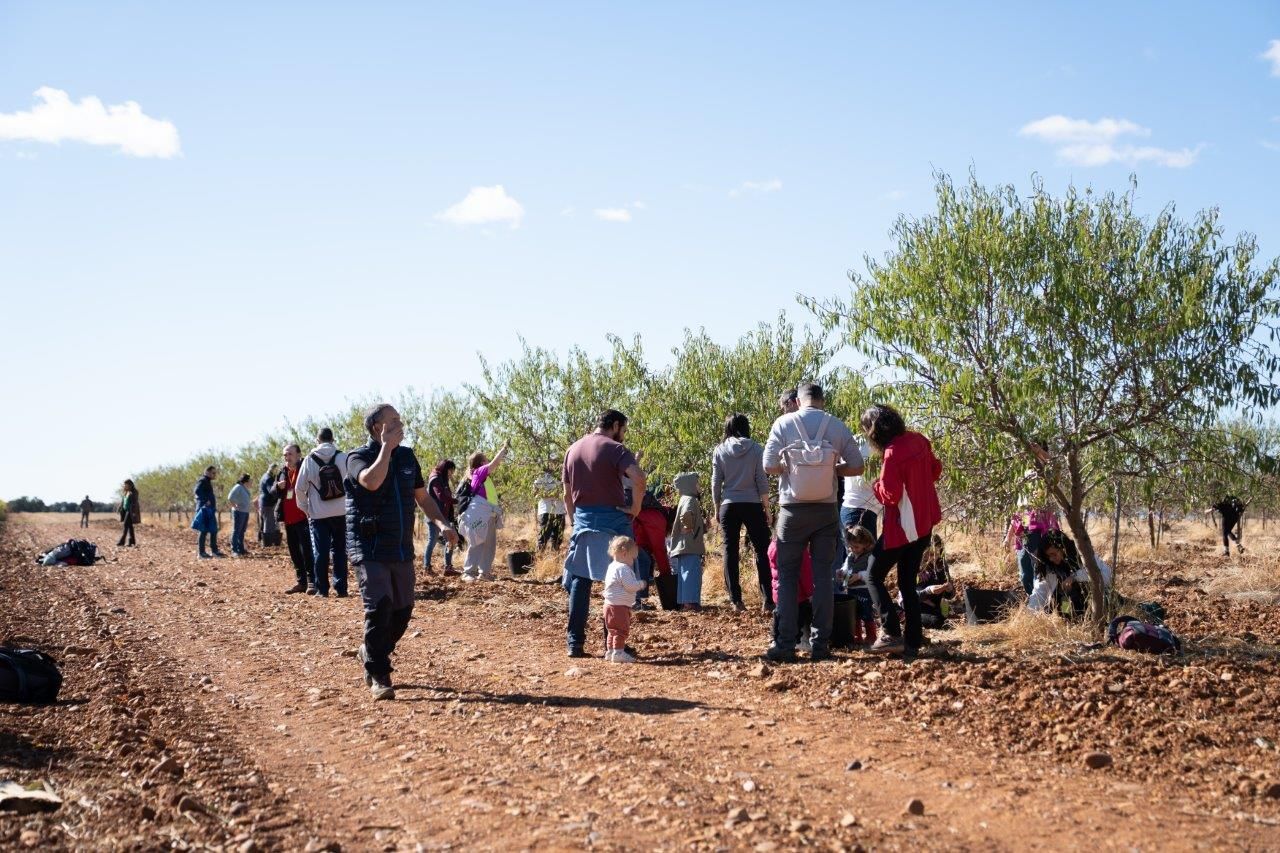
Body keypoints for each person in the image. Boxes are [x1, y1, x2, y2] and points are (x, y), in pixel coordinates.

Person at [346, 403, 457, 700]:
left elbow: (422, 497)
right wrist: (385, 450)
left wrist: (443, 523)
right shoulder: (357, 457)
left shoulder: (407, 456)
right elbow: (370, 481)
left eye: (399, 418)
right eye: (393, 420)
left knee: (403, 611)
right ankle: (379, 674)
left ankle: (370, 650)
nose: (400, 423)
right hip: (368, 546)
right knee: (379, 607)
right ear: (377, 428)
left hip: (400, 546)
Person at [762, 382, 863, 663]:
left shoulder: (783, 423)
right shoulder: (837, 425)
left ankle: (784, 645)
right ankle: (820, 646)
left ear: (797, 401)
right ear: (822, 400)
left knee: (788, 577)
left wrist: (788, 468)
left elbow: (768, 465)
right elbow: (857, 466)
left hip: (792, 512)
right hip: (826, 511)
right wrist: (831, 469)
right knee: (822, 579)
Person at [861, 404, 942, 659]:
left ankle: (891, 633)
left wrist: (876, 486)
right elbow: (936, 470)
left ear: (874, 432)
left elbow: (890, 494)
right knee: (907, 582)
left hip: (903, 529)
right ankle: (913, 639)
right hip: (924, 526)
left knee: (872, 575)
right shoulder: (919, 440)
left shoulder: (892, 454)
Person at [562, 410, 645, 658]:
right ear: (616, 425)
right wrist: (636, 508)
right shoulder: (616, 450)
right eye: (624, 430)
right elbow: (639, 478)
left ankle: (574, 643)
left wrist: (574, 519)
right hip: (614, 522)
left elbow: (566, 494)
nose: (624, 435)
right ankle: (613, 642)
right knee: (617, 582)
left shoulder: (573, 449)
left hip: (584, 521)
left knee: (580, 580)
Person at [712, 414, 773, 613]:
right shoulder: (756, 449)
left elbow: (716, 482)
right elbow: (761, 481)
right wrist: (767, 508)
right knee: (762, 550)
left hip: (729, 504)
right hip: (753, 503)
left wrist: (716, 507)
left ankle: (736, 600)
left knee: (730, 551)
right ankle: (768, 599)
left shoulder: (720, 450)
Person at [296, 428, 349, 597]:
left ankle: (322, 589)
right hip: (341, 511)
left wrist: (306, 509)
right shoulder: (343, 457)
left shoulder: (309, 460)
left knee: (321, 552)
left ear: (317, 441)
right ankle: (341, 589)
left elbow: (299, 488)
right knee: (340, 550)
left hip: (318, 514)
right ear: (333, 440)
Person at [1026, 530, 1113, 616]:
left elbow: (1106, 577)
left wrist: (1075, 577)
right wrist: (1030, 613)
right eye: (1048, 556)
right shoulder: (1047, 567)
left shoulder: (1084, 556)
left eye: (1054, 554)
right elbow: (1039, 591)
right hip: (1067, 603)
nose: (1051, 559)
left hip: (1096, 601)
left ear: (1063, 548)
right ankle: (1071, 620)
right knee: (1065, 609)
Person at [459, 441, 510, 582]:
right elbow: (495, 463)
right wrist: (503, 449)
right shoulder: (480, 471)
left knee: (489, 544)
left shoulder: (483, 477)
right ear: (482, 462)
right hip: (480, 513)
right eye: (486, 459)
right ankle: (468, 572)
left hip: (489, 513)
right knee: (476, 542)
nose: (488, 462)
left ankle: (484, 573)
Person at [1004, 475, 1061, 594]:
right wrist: (1007, 539)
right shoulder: (1023, 506)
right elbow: (1015, 523)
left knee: (1039, 572)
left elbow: (1053, 524)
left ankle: (1039, 601)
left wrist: (1057, 540)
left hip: (1040, 540)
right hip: (1023, 542)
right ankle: (1032, 598)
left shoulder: (1045, 506)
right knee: (1025, 575)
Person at [277, 444, 315, 594]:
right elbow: (274, 493)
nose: (287, 457)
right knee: (294, 552)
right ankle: (301, 583)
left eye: (290, 454)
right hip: (288, 519)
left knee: (307, 551)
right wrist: (277, 487)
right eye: (285, 455)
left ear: (299, 455)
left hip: (303, 517)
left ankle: (312, 581)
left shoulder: (305, 468)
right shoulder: (282, 471)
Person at [602, 535, 646, 663]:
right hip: (619, 606)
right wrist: (641, 584)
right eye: (633, 558)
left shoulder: (612, 566)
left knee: (612, 630)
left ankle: (610, 651)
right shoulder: (623, 569)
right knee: (621, 630)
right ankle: (619, 652)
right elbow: (630, 586)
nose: (633, 561)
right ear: (625, 553)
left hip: (609, 605)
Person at [768, 539, 814, 653]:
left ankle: (776, 639)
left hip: (779, 591)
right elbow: (805, 575)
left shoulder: (773, 546)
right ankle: (798, 641)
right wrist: (810, 592)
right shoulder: (799, 550)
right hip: (798, 594)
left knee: (780, 614)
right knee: (799, 618)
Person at [669, 472, 706, 611]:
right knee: (692, 572)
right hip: (690, 544)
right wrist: (688, 526)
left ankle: (685, 602)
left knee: (685, 572)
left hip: (684, 545)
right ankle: (691, 602)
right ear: (689, 485)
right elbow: (686, 514)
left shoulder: (684, 498)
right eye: (697, 484)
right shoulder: (690, 499)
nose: (699, 487)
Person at [836, 524, 877, 646]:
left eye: (857, 547)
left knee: (866, 613)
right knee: (854, 614)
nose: (853, 549)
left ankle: (871, 636)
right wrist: (841, 572)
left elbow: (871, 573)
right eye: (851, 547)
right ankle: (857, 636)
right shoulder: (850, 556)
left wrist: (859, 576)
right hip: (851, 589)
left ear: (865, 544)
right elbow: (846, 567)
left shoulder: (869, 556)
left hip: (864, 590)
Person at [910, 534, 954, 628]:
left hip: (934, 607)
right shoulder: (913, 566)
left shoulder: (941, 565)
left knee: (940, 620)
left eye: (937, 554)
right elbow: (907, 596)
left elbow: (950, 595)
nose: (934, 558)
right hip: (916, 606)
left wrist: (949, 590)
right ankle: (905, 616)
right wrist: (927, 591)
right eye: (930, 554)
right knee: (935, 621)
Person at [841, 443, 882, 537]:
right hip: (858, 508)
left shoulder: (852, 441)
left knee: (865, 550)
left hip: (867, 509)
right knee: (860, 550)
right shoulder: (858, 442)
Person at [426, 460, 458, 575]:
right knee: (432, 541)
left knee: (451, 540)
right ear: (446, 469)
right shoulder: (435, 478)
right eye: (450, 471)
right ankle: (427, 567)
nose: (451, 473)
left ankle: (448, 567)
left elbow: (446, 497)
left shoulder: (444, 479)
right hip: (434, 516)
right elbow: (441, 496)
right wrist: (455, 500)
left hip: (444, 516)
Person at [193, 466, 225, 559]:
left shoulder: (207, 481)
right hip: (204, 509)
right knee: (203, 531)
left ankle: (214, 551)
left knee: (213, 530)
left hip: (209, 509)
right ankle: (201, 553)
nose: (215, 475)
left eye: (215, 473)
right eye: (213, 473)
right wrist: (205, 500)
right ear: (207, 472)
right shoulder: (203, 480)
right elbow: (197, 491)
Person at [534, 468, 567, 551]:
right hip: (547, 511)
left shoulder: (563, 476)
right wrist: (552, 494)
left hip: (560, 511)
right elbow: (535, 492)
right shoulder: (542, 477)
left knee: (557, 539)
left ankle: (554, 560)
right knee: (543, 539)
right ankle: (538, 560)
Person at [227, 474, 254, 556]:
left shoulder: (244, 488)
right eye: (250, 481)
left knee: (242, 531)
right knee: (236, 531)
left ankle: (240, 549)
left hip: (244, 512)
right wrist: (234, 506)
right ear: (246, 481)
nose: (251, 482)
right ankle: (234, 550)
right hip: (238, 512)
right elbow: (230, 497)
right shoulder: (238, 487)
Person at [258, 464, 281, 546]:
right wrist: (280, 494)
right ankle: (267, 544)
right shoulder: (268, 478)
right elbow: (271, 491)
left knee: (268, 522)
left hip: (264, 503)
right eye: (276, 470)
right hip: (267, 503)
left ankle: (268, 543)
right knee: (268, 523)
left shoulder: (265, 476)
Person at [118, 480, 140, 547]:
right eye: (124, 484)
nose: (125, 485)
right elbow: (123, 501)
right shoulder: (126, 492)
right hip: (125, 511)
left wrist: (134, 512)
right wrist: (119, 507)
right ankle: (132, 542)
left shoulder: (134, 492)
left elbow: (134, 503)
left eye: (126, 484)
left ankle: (121, 542)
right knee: (130, 527)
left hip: (130, 511)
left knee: (125, 525)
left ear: (130, 485)